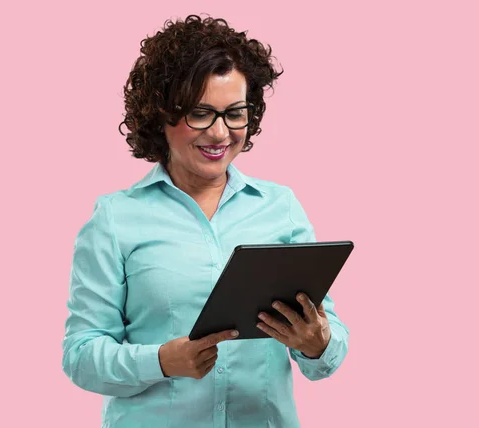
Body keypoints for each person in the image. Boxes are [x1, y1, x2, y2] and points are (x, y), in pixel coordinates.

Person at [62, 14, 349, 428]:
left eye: (235, 113)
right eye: (201, 113)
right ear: (160, 114)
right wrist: (160, 361)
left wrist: (317, 342)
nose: (219, 134)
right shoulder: (115, 219)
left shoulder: (280, 207)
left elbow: (326, 350)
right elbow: (80, 356)